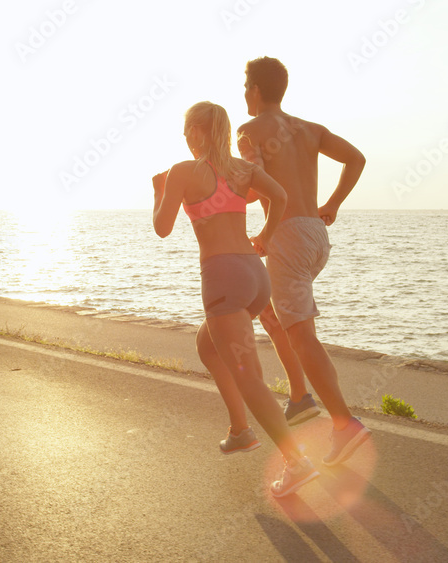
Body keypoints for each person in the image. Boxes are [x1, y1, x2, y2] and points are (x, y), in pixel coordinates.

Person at [153, 101, 319, 497]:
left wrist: (159, 191)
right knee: (207, 346)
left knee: (250, 379)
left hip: (223, 277)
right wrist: (264, 236)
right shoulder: (242, 170)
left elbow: (162, 227)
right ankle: (239, 430)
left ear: (196, 132)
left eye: (185, 130)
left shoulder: (181, 172)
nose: (183, 138)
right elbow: (279, 197)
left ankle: (297, 462)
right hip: (253, 275)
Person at [237, 57, 370, 467]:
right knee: (277, 319)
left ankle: (345, 424)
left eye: (245, 85)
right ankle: (299, 397)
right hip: (316, 232)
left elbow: (256, 192)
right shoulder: (309, 129)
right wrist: (332, 203)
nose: (244, 93)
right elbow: (356, 159)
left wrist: (260, 230)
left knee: (301, 333)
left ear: (256, 90)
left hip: (288, 233)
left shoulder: (249, 132)